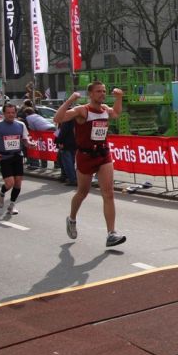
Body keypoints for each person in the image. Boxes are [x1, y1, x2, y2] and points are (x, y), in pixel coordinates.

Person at [54, 82, 126, 247]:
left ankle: (111, 234)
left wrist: (119, 98)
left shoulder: (105, 109)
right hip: (85, 156)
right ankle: (72, 218)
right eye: (98, 91)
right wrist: (70, 100)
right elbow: (57, 119)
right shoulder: (82, 110)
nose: (102, 94)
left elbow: (116, 113)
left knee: (108, 194)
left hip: (103, 154)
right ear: (91, 94)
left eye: (104, 91)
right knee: (82, 192)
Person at [0, 103, 36, 219]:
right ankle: (1, 193)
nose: (11, 115)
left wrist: (30, 144)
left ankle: (12, 205)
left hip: (17, 156)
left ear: (16, 113)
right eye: (8, 113)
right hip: (4, 157)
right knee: (10, 183)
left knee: (18, 182)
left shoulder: (21, 125)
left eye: (13, 113)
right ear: (3, 113)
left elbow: (25, 139)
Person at [55, 119, 77, 186]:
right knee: (70, 162)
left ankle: (72, 179)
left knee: (67, 163)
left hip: (66, 144)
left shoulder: (66, 121)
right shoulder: (75, 120)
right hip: (74, 143)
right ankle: (69, 177)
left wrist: (59, 142)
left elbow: (62, 132)